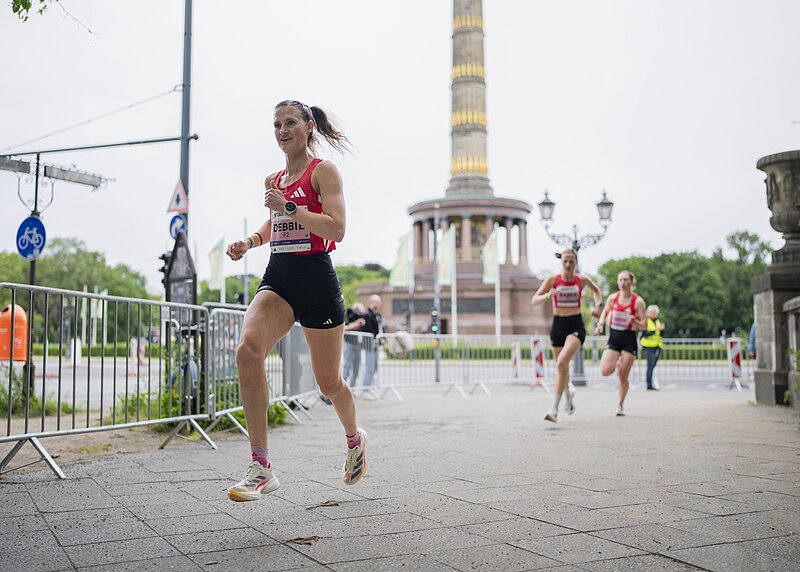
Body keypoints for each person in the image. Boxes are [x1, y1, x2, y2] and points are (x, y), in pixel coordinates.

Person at [224, 100, 366, 502]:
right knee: (247, 351)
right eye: (276, 125)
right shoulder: (273, 178)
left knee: (328, 384)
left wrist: (289, 206)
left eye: (289, 123)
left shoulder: (324, 172)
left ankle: (355, 440)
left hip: (317, 280)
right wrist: (250, 242)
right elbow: (277, 224)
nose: (282, 130)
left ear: (308, 127)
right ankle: (260, 466)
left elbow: (336, 229)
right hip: (280, 276)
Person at [531, 249, 603, 423]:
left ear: (576, 262)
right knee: (561, 368)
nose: (568, 265)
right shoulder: (553, 280)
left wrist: (598, 306)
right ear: (561, 262)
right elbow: (534, 300)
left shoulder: (581, 280)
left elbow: (596, 290)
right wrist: (549, 295)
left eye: (571, 261)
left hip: (575, 324)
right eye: (565, 261)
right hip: (558, 325)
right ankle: (568, 394)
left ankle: (554, 409)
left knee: (563, 361)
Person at [594, 270, 646, 416]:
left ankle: (620, 404)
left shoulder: (638, 301)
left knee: (623, 376)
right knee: (605, 371)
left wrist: (635, 321)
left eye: (625, 280)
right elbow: (604, 312)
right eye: (620, 280)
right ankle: (617, 362)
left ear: (631, 282)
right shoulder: (613, 298)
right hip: (614, 338)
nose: (623, 283)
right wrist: (600, 324)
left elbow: (645, 325)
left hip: (629, 340)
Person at [360, 295, 383, 390]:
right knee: (369, 367)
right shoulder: (367, 315)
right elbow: (369, 329)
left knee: (374, 367)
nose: (380, 305)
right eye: (378, 302)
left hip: (376, 344)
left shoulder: (377, 315)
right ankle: (366, 389)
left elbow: (379, 328)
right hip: (370, 344)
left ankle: (370, 387)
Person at [641, 305, 665, 391]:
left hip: (657, 346)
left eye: (655, 313)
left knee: (653, 365)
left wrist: (662, 330)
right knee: (650, 366)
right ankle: (649, 384)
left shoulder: (658, 321)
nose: (654, 314)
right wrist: (655, 329)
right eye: (652, 312)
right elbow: (645, 333)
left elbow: (660, 334)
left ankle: (650, 382)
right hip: (648, 346)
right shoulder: (646, 322)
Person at [342, 302, 366, 387]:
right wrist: (356, 324)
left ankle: (352, 388)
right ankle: (342, 389)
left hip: (358, 345)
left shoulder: (363, 317)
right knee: (347, 368)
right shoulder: (349, 315)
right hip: (349, 344)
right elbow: (344, 327)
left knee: (356, 369)